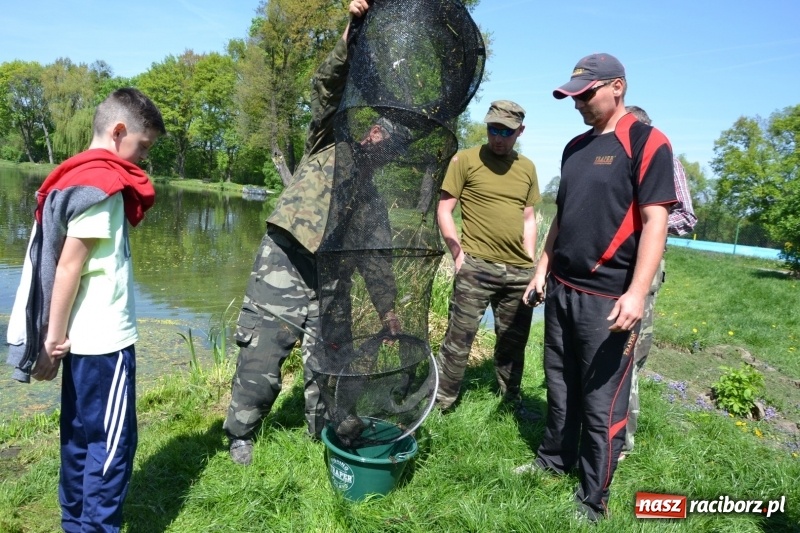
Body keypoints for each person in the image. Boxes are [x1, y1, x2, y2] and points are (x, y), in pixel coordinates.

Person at [224, 0, 403, 466]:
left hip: (333, 279)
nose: (380, 142)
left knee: (330, 365)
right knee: (261, 354)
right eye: (378, 133)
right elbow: (327, 87)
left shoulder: (375, 201)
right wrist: (351, 32)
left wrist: (389, 311)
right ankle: (240, 433)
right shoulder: (328, 140)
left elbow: (377, 261)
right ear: (366, 132)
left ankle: (321, 434)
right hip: (284, 257)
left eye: (390, 142)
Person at [513, 54, 677, 522]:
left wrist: (637, 292)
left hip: (608, 298)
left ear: (617, 87)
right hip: (562, 288)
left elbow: (655, 221)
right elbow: (563, 217)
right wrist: (542, 268)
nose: (578, 103)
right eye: (573, 95)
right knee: (560, 385)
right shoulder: (575, 147)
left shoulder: (647, 142)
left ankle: (592, 499)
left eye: (586, 93)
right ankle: (552, 462)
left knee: (602, 401)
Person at [7, 88, 165, 532]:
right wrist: (52, 340)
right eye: (143, 146)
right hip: (103, 343)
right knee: (111, 447)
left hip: (81, 338)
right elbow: (68, 266)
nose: (143, 159)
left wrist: (58, 336)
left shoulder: (73, 176)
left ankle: (74, 523)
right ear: (118, 132)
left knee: (78, 438)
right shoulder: (106, 187)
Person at [435, 100, 540, 414]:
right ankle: (441, 403)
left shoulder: (527, 168)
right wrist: (457, 254)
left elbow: (529, 218)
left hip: (519, 272)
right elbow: (444, 210)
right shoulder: (464, 160)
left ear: (520, 131)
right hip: (477, 266)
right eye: (493, 128)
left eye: (506, 132)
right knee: (458, 341)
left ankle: (511, 401)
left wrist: (532, 264)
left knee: (513, 343)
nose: (498, 137)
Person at [622, 105, 697, 457]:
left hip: (644, 269)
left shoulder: (664, 159)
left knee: (631, 353)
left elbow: (685, 217)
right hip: (606, 268)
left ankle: (622, 441)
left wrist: (646, 225)